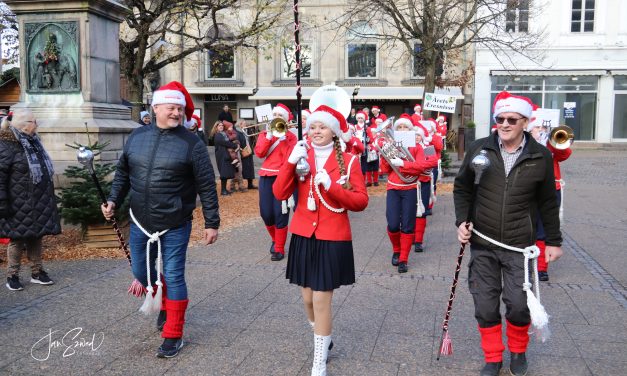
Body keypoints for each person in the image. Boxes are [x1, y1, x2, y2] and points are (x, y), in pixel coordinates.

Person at [102, 81, 220, 358]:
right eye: (172, 107)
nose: (177, 112)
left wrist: (211, 222)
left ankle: (173, 333)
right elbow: (122, 174)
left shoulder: (192, 143)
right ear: (155, 107)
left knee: (175, 274)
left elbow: (206, 184)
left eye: (180, 108)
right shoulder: (136, 137)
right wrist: (112, 200)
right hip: (140, 219)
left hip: (175, 221)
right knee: (142, 274)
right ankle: (164, 304)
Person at [454, 91, 563, 376]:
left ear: (525, 122)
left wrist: (553, 241)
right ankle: (493, 357)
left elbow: (548, 202)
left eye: (511, 119)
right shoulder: (480, 149)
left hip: (519, 245)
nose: (504, 124)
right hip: (483, 242)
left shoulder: (540, 156)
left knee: (517, 305)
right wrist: (461, 222)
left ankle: (518, 353)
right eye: (499, 118)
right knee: (485, 303)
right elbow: (462, 187)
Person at [273, 105, 368, 376]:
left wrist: (333, 187)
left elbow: (361, 201)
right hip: (304, 233)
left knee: (321, 299)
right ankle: (323, 338)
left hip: (333, 236)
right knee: (307, 298)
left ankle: (318, 361)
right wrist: (291, 161)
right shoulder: (301, 154)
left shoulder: (349, 161)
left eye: (322, 127)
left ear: (334, 132)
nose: (316, 131)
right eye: (312, 126)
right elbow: (280, 193)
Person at [1, 109, 60, 291]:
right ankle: (12, 275)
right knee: (17, 239)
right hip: (17, 201)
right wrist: (2, 203)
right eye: (34, 121)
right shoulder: (6, 145)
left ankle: (37, 272)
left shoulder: (33, 142)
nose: (37, 124)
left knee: (36, 236)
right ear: (23, 125)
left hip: (37, 201)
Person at [380, 114, 437, 273]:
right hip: (393, 187)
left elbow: (421, 165)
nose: (403, 130)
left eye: (406, 127)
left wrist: (403, 163)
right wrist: (385, 157)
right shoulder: (392, 145)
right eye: (399, 127)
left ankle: (404, 258)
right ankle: (396, 250)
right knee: (392, 224)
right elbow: (384, 170)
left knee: (407, 224)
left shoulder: (420, 146)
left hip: (411, 187)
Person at [528, 119, 572, 282]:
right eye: (537, 127)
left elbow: (564, 154)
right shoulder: (524, 142)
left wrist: (551, 141)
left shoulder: (550, 143)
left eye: (543, 127)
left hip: (552, 188)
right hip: (530, 189)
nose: (540, 130)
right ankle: (524, 264)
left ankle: (541, 268)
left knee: (545, 228)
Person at [254, 103, 297, 261]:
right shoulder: (265, 134)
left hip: (282, 177)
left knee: (280, 213)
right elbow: (259, 153)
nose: (277, 118)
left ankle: (279, 248)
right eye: (275, 115)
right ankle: (275, 239)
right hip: (266, 176)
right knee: (266, 213)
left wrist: (285, 139)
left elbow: (291, 159)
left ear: (285, 119)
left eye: (280, 116)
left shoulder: (291, 137)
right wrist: (269, 136)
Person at [413, 121, 438, 253]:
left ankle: (418, 241)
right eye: (415, 135)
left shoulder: (427, 147)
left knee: (421, 212)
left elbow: (433, 162)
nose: (417, 137)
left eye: (419, 135)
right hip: (410, 183)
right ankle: (411, 236)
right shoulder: (407, 147)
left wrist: (416, 166)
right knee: (409, 212)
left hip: (423, 182)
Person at [210, 121, 238, 196]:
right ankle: (223, 191)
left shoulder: (223, 134)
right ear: (216, 127)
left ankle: (224, 189)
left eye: (222, 125)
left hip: (225, 155)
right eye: (219, 126)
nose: (221, 126)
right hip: (221, 155)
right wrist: (234, 145)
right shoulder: (218, 135)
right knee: (223, 173)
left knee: (225, 173)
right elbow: (225, 143)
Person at [235, 120, 257, 190]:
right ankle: (240, 185)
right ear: (240, 124)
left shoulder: (245, 131)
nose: (246, 125)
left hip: (248, 152)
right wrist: (241, 150)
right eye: (244, 124)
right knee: (242, 169)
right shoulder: (237, 133)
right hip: (242, 153)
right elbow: (237, 142)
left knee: (250, 168)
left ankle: (250, 184)